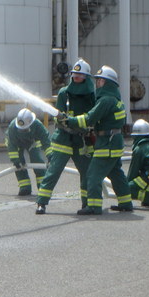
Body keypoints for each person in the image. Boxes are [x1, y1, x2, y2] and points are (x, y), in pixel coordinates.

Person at [65, 65, 133, 215]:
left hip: (106, 143)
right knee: (116, 173)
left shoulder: (106, 101)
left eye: (101, 81)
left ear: (108, 83)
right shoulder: (115, 100)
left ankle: (94, 206)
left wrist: (70, 120)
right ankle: (126, 202)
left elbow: (89, 118)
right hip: (114, 141)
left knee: (93, 174)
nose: (98, 84)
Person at [35, 59, 96, 214]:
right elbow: (59, 115)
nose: (76, 78)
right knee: (53, 171)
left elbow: (93, 116)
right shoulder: (64, 93)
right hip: (63, 138)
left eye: (79, 75)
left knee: (87, 172)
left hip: (82, 140)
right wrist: (61, 119)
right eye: (74, 75)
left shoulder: (92, 95)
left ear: (86, 77)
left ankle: (87, 204)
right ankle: (41, 202)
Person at [5, 108, 51, 196]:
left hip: (32, 142)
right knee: (19, 163)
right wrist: (15, 160)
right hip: (17, 143)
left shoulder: (37, 125)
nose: (23, 131)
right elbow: (12, 146)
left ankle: (42, 186)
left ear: (31, 123)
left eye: (25, 129)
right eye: (21, 129)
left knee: (37, 160)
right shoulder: (12, 127)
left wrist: (50, 155)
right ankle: (25, 187)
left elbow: (46, 141)